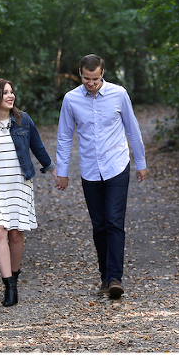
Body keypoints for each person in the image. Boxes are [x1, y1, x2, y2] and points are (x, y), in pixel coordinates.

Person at [55, 54, 147, 299]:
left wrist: (141, 162)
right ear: (80, 73)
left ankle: (115, 278)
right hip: (90, 170)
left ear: (102, 74)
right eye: (86, 78)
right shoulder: (71, 99)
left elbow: (132, 128)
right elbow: (64, 136)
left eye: (95, 79)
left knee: (115, 221)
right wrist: (62, 171)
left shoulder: (119, 94)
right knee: (99, 225)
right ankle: (105, 277)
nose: (91, 83)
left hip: (117, 165)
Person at [0, 78, 57, 307]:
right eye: (5, 92)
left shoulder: (23, 120)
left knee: (15, 234)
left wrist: (54, 171)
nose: (10, 95)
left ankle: (14, 275)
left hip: (18, 182)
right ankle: (9, 285)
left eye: (12, 92)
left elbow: (38, 147)